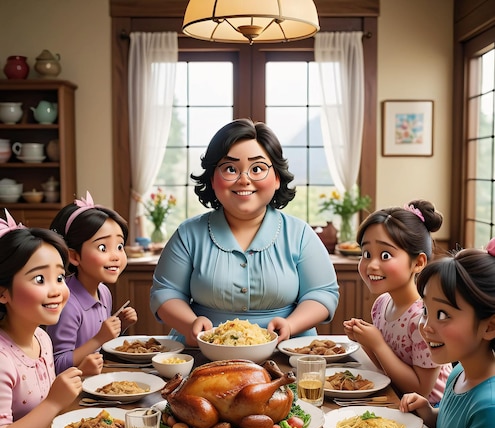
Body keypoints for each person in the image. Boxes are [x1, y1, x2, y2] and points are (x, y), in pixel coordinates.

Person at [150, 118, 339, 346]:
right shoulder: (188, 234)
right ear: (212, 178)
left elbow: (322, 293)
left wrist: (291, 324)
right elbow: (165, 292)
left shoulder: (300, 234)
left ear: (277, 178)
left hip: (287, 350)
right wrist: (190, 323)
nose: (244, 180)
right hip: (202, 350)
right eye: (230, 169)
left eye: (257, 168)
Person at [399, 242, 495, 428]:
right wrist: (430, 414)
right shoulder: (460, 370)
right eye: (426, 310)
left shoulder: (489, 406)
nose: (425, 326)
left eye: (443, 315)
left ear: (490, 327)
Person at [343, 200, 451, 404]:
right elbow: (385, 368)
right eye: (366, 254)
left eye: (385, 255)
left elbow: (420, 390)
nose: (372, 265)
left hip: (432, 413)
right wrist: (365, 341)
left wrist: (377, 343)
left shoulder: (424, 318)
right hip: (395, 399)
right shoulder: (382, 304)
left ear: (418, 263)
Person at [0, 210, 83, 428]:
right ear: (3, 293)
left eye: (59, 277)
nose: (57, 290)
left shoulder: (41, 339)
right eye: (39, 279)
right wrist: (54, 402)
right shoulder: (2, 359)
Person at [47, 192, 137, 375]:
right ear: (74, 256)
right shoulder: (67, 303)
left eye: (119, 246)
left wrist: (121, 326)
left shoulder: (104, 292)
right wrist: (99, 338)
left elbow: (99, 347)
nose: (115, 256)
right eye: (103, 247)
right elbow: (56, 364)